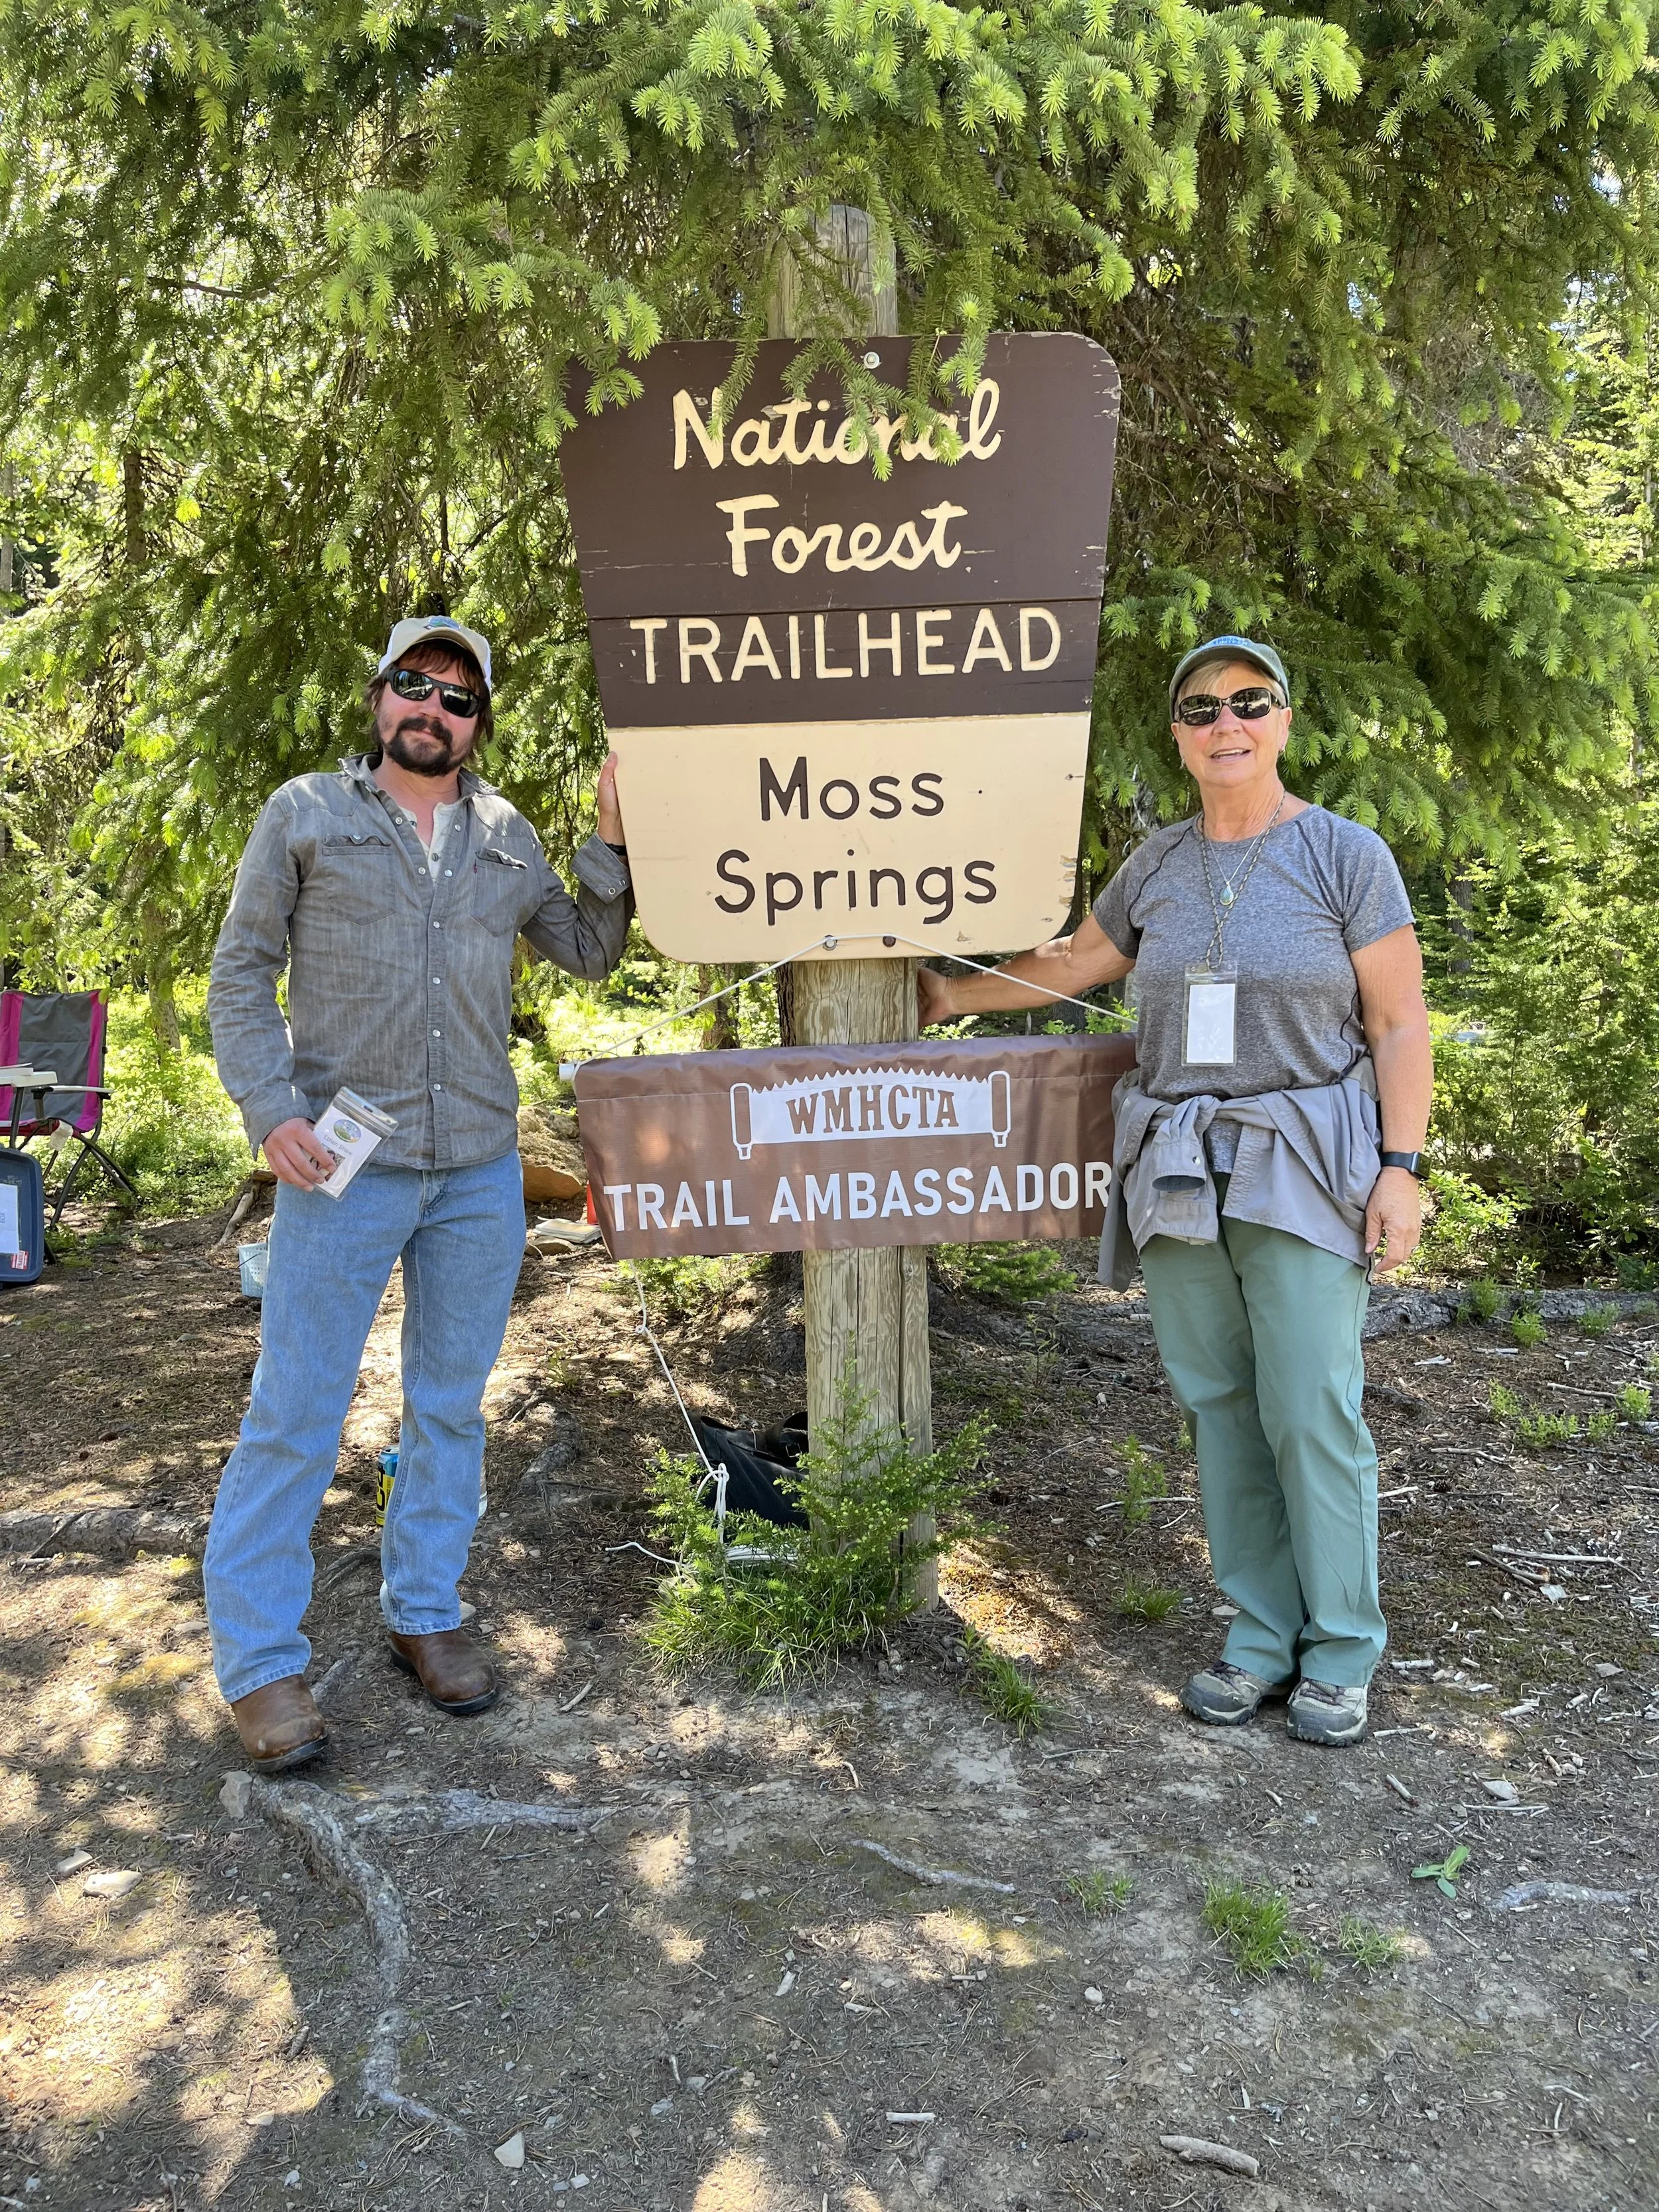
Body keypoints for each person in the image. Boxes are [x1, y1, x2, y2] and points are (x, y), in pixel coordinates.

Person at [918, 635, 1431, 1747]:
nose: (1226, 723)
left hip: (1304, 1159)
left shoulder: (1347, 856)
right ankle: (1259, 1638)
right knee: (1220, 1408)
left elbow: (1397, 1024)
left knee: (1311, 1406)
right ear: (1179, 734)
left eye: (1251, 702)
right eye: (1202, 709)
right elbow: (1074, 962)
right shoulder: (1158, 864)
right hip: (1181, 1166)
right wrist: (946, 993)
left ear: (1285, 721)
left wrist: (1402, 1169)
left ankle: (1341, 1650)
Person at [205, 613, 632, 1772]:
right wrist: (269, 1107)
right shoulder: (306, 814)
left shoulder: (506, 835)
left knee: (449, 1403)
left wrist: (608, 842)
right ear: (379, 696)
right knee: (297, 1408)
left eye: (455, 697)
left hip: (479, 1172)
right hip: (342, 1170)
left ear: (478, 723)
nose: (430, 710)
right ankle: (259, 1665)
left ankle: (425, 1611)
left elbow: (588, 950)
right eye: (413, 685)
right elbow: (241, 971)